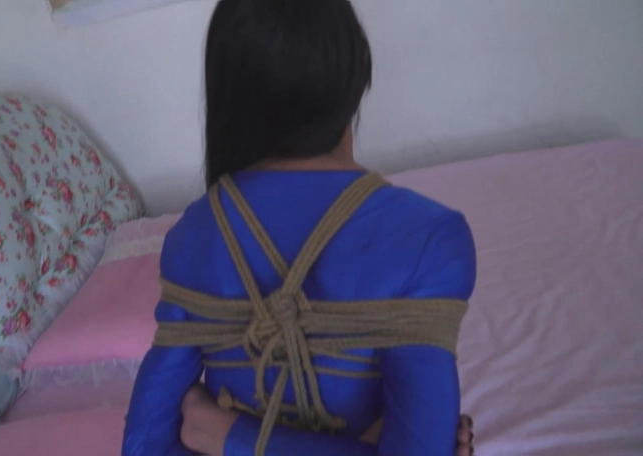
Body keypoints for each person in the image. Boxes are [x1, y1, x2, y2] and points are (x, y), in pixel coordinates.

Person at [122, 0, 477, 455]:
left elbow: (143, 446)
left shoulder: (193, 235)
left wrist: (222, 434)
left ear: (227, 91)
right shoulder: (431, 240)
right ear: (359, 72)